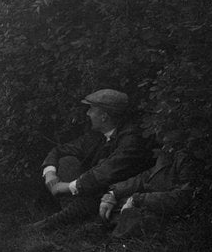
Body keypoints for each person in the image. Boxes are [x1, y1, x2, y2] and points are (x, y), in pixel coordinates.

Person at [34, 88, 153, 230]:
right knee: (67, 162)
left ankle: (50, 224)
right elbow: (59, 150)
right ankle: (74, 218)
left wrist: (67, 187)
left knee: (94, 194)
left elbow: (107, 172)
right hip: (95, 190)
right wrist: (50, 173)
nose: (87, 113)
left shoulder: (131, 139)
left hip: (118, 193)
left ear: (104, 116)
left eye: (91, 109)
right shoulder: (96, 135)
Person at [99, 136, 193, 238]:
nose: (157, 134)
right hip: (150, 204)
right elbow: (147, 176)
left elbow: (182, 197)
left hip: (166, 214)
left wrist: (138, 199)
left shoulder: (188, 157)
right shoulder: (169, 150)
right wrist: (113, 193)